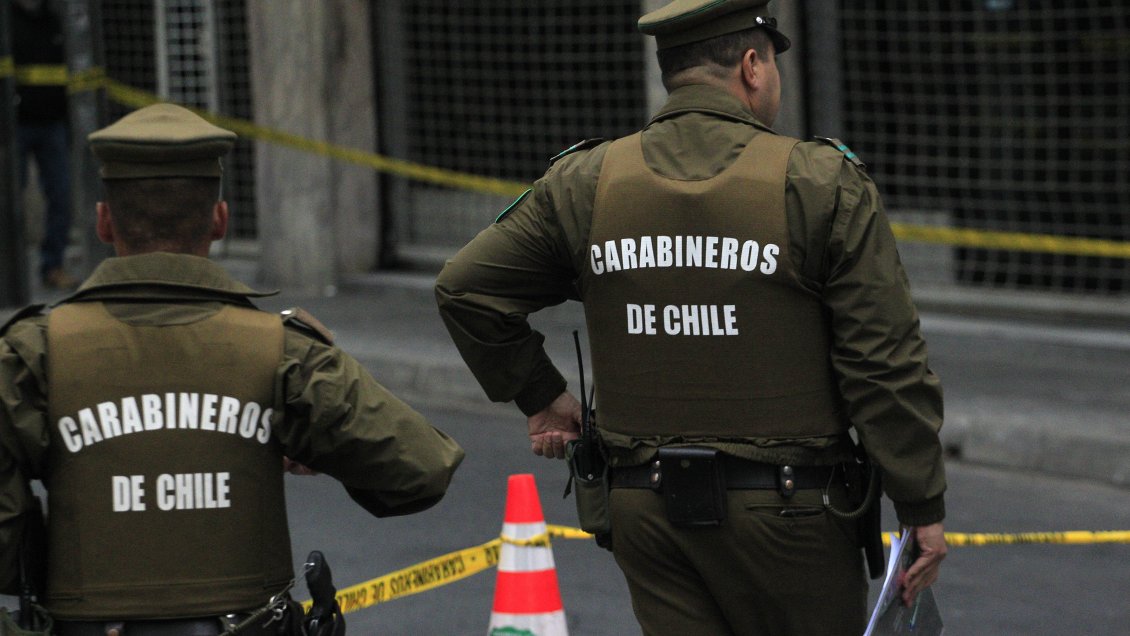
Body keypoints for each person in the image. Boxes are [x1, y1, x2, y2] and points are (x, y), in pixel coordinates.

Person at [435, 1, 947, 634]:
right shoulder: (820, 184)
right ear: (753, 67)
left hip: (645, 513)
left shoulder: (587, 182)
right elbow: (883, 361)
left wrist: (540, 396)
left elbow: (465, 290)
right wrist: (920, 500)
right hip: (792, 517)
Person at [0, 103, 465, 634]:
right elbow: (421, 469)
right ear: (220, 221)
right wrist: (315, 444)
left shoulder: (32, 354)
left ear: (105, 222)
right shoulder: (283, 353)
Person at [12, 0, 79, 290]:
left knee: (61, 198)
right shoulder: (6, 21)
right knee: (8, 202)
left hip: (52, 125)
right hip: (13, 126)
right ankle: (9, 272)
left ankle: (52, 266)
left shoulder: (53, 21)